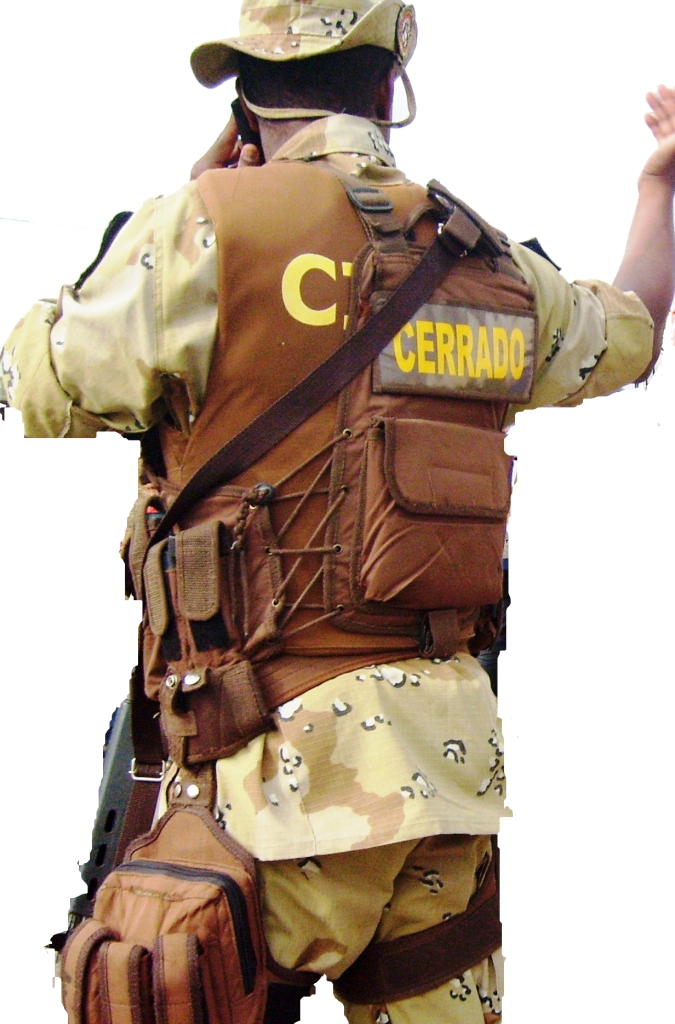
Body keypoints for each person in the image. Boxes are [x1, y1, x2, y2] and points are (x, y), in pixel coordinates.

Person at [1, 3, 674, 1022]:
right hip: (444, 782)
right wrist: (658, 187)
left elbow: (35, 380)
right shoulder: (484, 263)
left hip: (256, 780)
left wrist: (188, 207)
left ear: (246, 96)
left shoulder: (201, 231)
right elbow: (628, 332)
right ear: (390, 88)